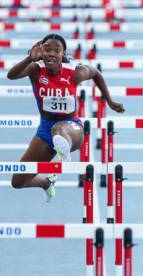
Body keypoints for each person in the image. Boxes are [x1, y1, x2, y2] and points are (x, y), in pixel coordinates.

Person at [7, 33, 125, 202]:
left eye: (57, 50)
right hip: (45, 129)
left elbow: (96, 73)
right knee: (18, 181)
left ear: (63, 54)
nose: (52, 54)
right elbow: (11, 75)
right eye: (47, 50)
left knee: (59, 129)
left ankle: (64, 150)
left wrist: (110, 101)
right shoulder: (35, 69)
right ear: (41, 51)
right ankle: (46, 183)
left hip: (72, 127)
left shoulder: (75, 72)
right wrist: (28, 59)